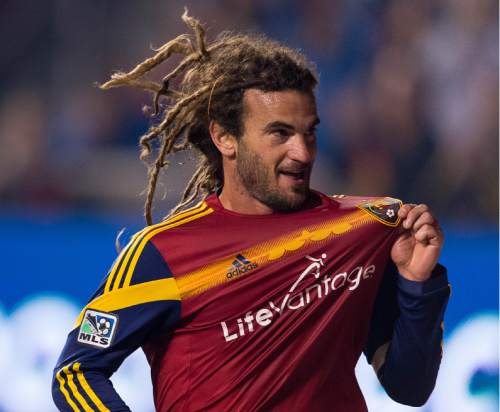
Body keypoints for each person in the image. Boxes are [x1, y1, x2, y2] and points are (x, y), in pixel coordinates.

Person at [52, 11, 450, 412]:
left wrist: (419, 283)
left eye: (309, 131)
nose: (302, 152)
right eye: (280, 133)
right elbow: (76, 373)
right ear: (225, 137)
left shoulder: (361, 230)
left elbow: (408, 387)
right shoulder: (162, 253)